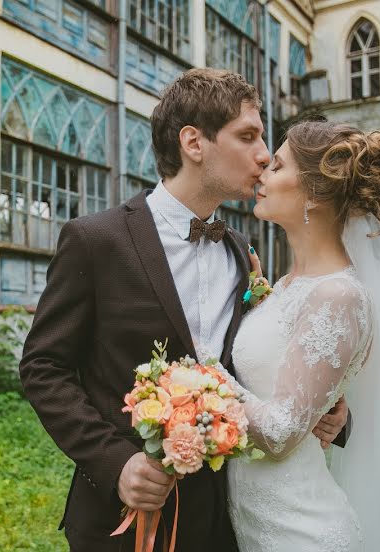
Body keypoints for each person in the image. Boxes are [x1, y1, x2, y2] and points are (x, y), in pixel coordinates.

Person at [19, 69, 352, 551]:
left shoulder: (242, 253)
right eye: (248, 136)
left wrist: (327, 408)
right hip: (121, 522)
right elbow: (43, 367)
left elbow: (256, 362)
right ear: (194, 143)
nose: (264, 155)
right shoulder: (95, 241)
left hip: (223, 518)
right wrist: (116, 462)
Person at [223, 120, 380, 551]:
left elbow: (279, 432)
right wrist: (262, 300)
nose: (262, 174)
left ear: (314, 192)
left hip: (300, 533)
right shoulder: (292, 286)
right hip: (257, 525)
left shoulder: (339, 296)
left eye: (276, 166)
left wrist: (200, 375)